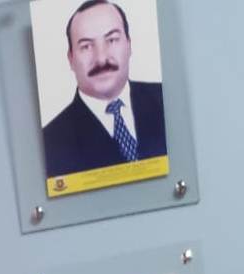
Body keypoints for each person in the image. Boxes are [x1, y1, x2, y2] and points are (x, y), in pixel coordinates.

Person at [42, 0, 167, 181]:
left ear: (129, 44)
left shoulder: (168, 99)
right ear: (71, 59)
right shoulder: (50, 143)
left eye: (112, 40)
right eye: (86, 46)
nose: (101, 59)